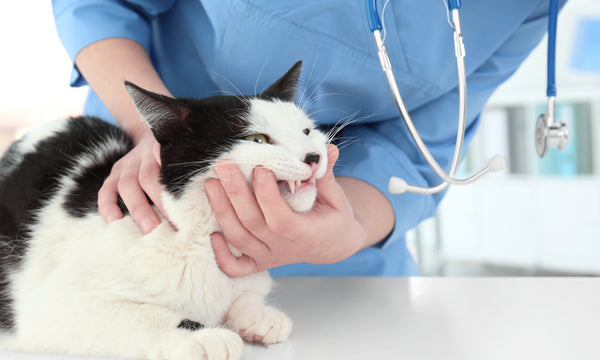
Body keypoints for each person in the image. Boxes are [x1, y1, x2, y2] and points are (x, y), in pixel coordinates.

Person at [51, 0, 566, 277]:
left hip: (343, 265)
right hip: (153, 203)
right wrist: (149, 129)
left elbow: (423, 148)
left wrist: (349, 230)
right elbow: (100, 5)